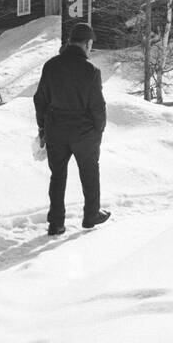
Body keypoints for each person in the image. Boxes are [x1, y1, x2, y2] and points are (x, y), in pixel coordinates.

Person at [33, 22, 110, 235]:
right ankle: (91, 215)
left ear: (70, 42)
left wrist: (43, 128)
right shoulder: (91, 71)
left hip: (56, 130)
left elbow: (40, 100)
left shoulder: (51, 66)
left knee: (57, 176)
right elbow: (97, 106)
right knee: (89, 173)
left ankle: (56, 223)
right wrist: (98, 130)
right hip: (84, 133)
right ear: (86, 44)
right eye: (91, 45)